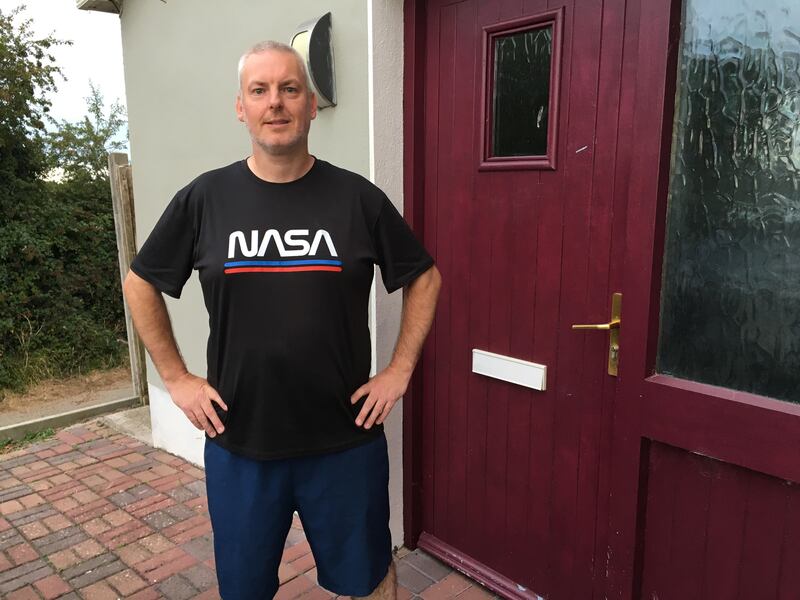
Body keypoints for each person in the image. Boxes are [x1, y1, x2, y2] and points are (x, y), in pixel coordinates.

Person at [122, 40, 441, 600]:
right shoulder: (205, 198)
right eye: (260, 90)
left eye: (290, 89)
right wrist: (175, 378)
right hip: (240, 443)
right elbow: (141, 281)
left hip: (346, 442)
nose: (275, 102)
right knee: (244, 590)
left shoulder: (357, 198)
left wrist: (399, 370)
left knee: (369, 580)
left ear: (311, 105)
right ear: (240, 108)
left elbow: (424, 276)